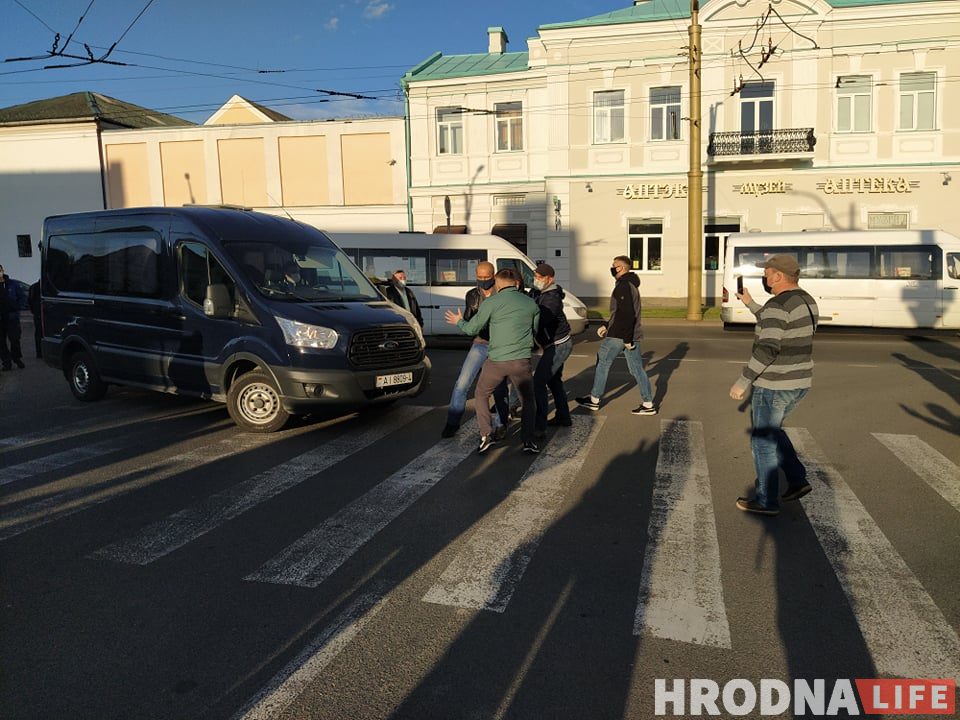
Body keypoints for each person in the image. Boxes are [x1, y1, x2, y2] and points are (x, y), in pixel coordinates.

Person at [729, 254, 819, 516]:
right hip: (799, 382)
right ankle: (797, 480)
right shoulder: (805, 300)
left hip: (774, 384)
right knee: (775, 432)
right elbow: (777, 323)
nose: (765, 277)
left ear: (779, 276)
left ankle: (766, 500)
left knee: (763, 441)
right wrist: (750, 304)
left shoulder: (778, 305)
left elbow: (769, 346)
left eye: (767, 273)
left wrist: (743, 381)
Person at [445, 267, 540, 454]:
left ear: (497, 283)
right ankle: (528, 440)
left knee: (481, 394)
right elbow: (534, 330)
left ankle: (486, 435)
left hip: (496, 360)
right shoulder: (531, 304)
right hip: (521, 361)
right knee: (528, 400)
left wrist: (458, 321)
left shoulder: (491, 302)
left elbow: (472, 329)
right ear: (517, 283)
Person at [575, 255, 656, 415]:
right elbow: (620, 312)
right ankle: (648, 404)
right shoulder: (631, 284)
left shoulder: (623, 286)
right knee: (637, 369)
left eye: (615, 266)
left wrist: (626, 338)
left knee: (602, 364)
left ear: (623, 268)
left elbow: (627, 314)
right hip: (630, 334)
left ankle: (594, 400)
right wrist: (606, 325)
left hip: (619, 335)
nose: (612, 268)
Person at [441, 261, 509, 439]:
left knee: (500, 388)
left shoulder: (501, 294)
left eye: (486, 277)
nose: (483, 280)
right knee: (462, 384)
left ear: (493, 276)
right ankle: (452, 423)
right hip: (479, 344)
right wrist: (465, 324)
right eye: (479, 277)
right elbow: (469, 320)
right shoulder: (472, 295)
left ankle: (501, 424)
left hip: (498, 346)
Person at [530, 263, 572, 437]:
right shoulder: (539, 293)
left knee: (538, 382)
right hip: (553, 344)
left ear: (550, 279)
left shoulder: (552, 298)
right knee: (554, 382)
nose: (536, 280)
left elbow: (541, 320)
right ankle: (563, 417)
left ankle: (539, 427)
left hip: (559, 345)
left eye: (540, 277)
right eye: (535, 276)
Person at [0, 265, 26, 370]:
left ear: (2, 270)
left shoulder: (12, 284)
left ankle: (16, 358)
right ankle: (6, 362)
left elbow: (22, 297)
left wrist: (18, 307)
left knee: (15, 339)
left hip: (12, 317)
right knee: (1, 342)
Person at [28, 280, 41, 359]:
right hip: (39, 312)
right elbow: (30, 300)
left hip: (37, 312)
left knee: (38, 332)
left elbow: (30, 300)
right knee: (39, 332)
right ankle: (39, 352)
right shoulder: (36, 287)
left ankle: (39, 352)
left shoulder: (33, 286)